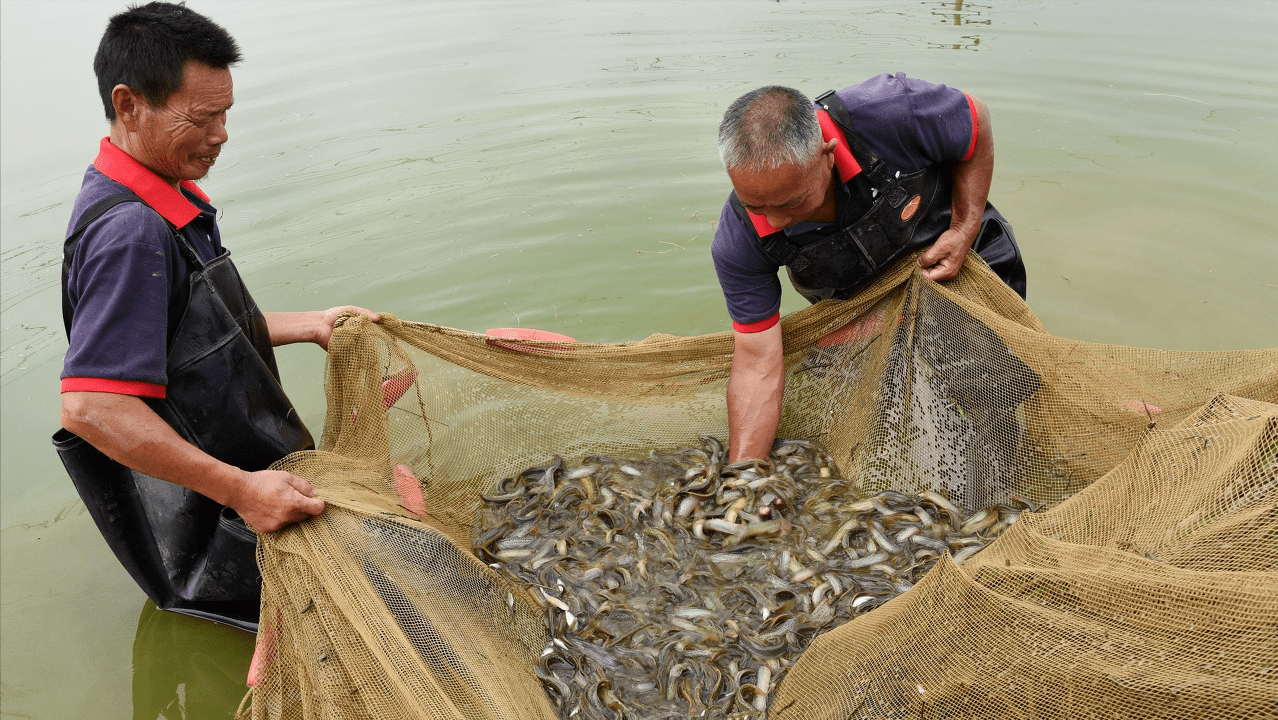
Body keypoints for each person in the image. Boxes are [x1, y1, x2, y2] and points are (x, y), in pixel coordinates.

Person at [53, 1, 378, 630]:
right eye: (203, 118)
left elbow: (196, 333)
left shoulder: (168, 194)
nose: (222, 133)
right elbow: (91, 406)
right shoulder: (129, 233)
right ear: (129, 105)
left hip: (260, 492)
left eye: (226, 114)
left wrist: (309, 324)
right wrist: (243, 492)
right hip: (220, 533)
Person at [712, 75, 1028, 463]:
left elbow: (975, 120)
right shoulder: (738, 238)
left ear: (827, 155)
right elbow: (757, 362)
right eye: (757, 207)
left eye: (792, 202)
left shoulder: (892, 111)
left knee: (991, 387)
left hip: (959, 265)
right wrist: (743, 477)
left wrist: (965, 226)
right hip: (863, 309)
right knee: (866, 404)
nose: (775, 222)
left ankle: (1005, 461)